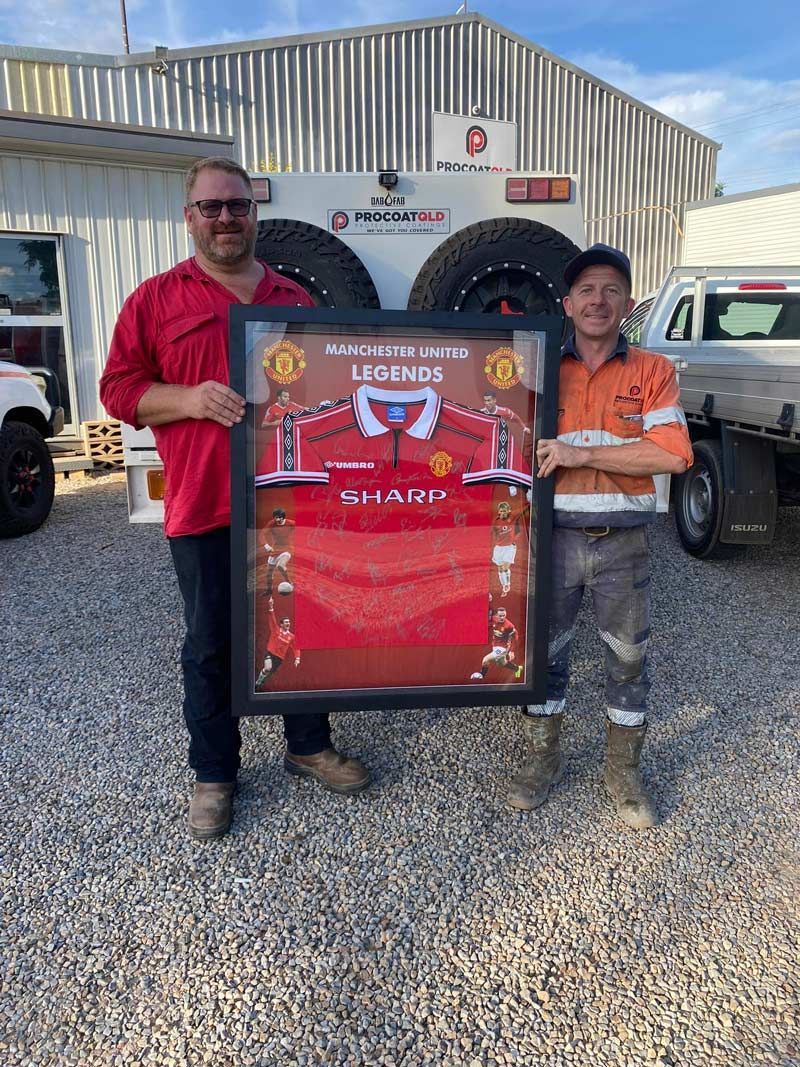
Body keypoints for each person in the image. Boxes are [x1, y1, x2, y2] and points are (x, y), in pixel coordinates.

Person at [99, 156, 370, 841]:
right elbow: (119, 390)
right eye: (212, 207)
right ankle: (215, 773)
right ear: (189, 217)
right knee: (210, 643)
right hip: (203, 505)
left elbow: (327, 390)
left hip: (289, 503)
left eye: (238, 206)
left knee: (298, 629)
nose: (226, 218)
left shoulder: (294, 301)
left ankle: (308, 745)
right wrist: (188, 398)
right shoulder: (154, 300)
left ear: (254, 214)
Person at [507, 243, 693, 828]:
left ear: (628, 303)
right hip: (553, 539)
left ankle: (624, 774)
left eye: (611, 289)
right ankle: (542, 759)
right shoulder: (535, 368)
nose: (598, 299)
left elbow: (674, 454)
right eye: (586, 288)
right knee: (546, 657)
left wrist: (577, 451)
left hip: (624, 542)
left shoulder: (652, 372)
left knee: (628, 658)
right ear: (566, 302)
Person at [256, 597, 300, 686]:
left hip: (279, 658)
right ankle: (258, 682)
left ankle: (261, 681)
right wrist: (271, 606)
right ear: (281, 624)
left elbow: (296, 648)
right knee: (267, 668)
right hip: (270, 653)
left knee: (268, 673)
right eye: (286, 622)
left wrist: (297, 658)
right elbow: (272, 619)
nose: (288, 623)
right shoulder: (276, 630)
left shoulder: (291, 636)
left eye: (289, 622)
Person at [471, 607, 523, 681]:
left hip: (503, 648)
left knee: (486, 659)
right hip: (495, 645)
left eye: (504, 615)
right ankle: (517, 668)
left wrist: (512, 651)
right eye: (500, 616)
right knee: (502, 663)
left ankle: (481, 675)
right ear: (496, 615)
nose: (502, 618)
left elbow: (516, 636)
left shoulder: (509, 626)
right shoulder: (493, 619)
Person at [261, 507, 294, 595]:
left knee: (280, 566)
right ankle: (269, 590)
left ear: (283, 517)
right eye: (276, 517)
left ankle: (289, 583)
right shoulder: (272, 523)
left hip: (286, 549)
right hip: (275, 550)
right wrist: (266, 546)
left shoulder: (291, 523)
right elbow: (262, 534)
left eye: (279, 517)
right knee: (268, 574)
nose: (277, 519)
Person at [491, 501, 518, 597]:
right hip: (499, 548)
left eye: (505, 511)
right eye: (501, 511)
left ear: (508, 511)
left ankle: (507, 585)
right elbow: (493, 534)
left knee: (505, 567)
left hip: (510, 547)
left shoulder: (512, 518)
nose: (503, 513)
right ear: (499, 511)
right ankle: (504, 585)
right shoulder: (496, 522)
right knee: (500, 568)